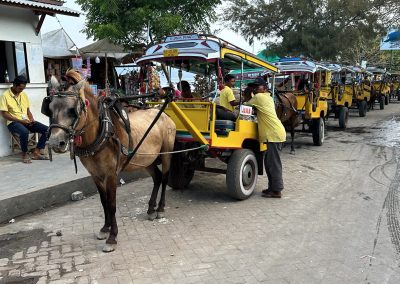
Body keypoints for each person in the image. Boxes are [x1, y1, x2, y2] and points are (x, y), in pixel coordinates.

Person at [245, 77, 286, 198]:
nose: (255, 89)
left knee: (273, 164)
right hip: (275, 133)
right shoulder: (268, 97)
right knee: (269, 163)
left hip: (273, 134)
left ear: (265, 88)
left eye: (258, 87)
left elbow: (246, 107)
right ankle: (272, 188)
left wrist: (248, 94)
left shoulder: (259, 97)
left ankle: (277, 190)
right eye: (254, 87)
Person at [0, 76, 49, 163]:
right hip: (13, 123)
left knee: (48, 130)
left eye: (23, 88)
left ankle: (36, 152)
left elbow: (28, 111)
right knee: (24, 132)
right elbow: (4, 114)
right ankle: (24, 153)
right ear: (14, 85)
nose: (22, 90)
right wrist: (20, 121)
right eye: (20, 88)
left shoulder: (23, 95)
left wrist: (31, 119)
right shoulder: (5, 96)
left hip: (26, 121)